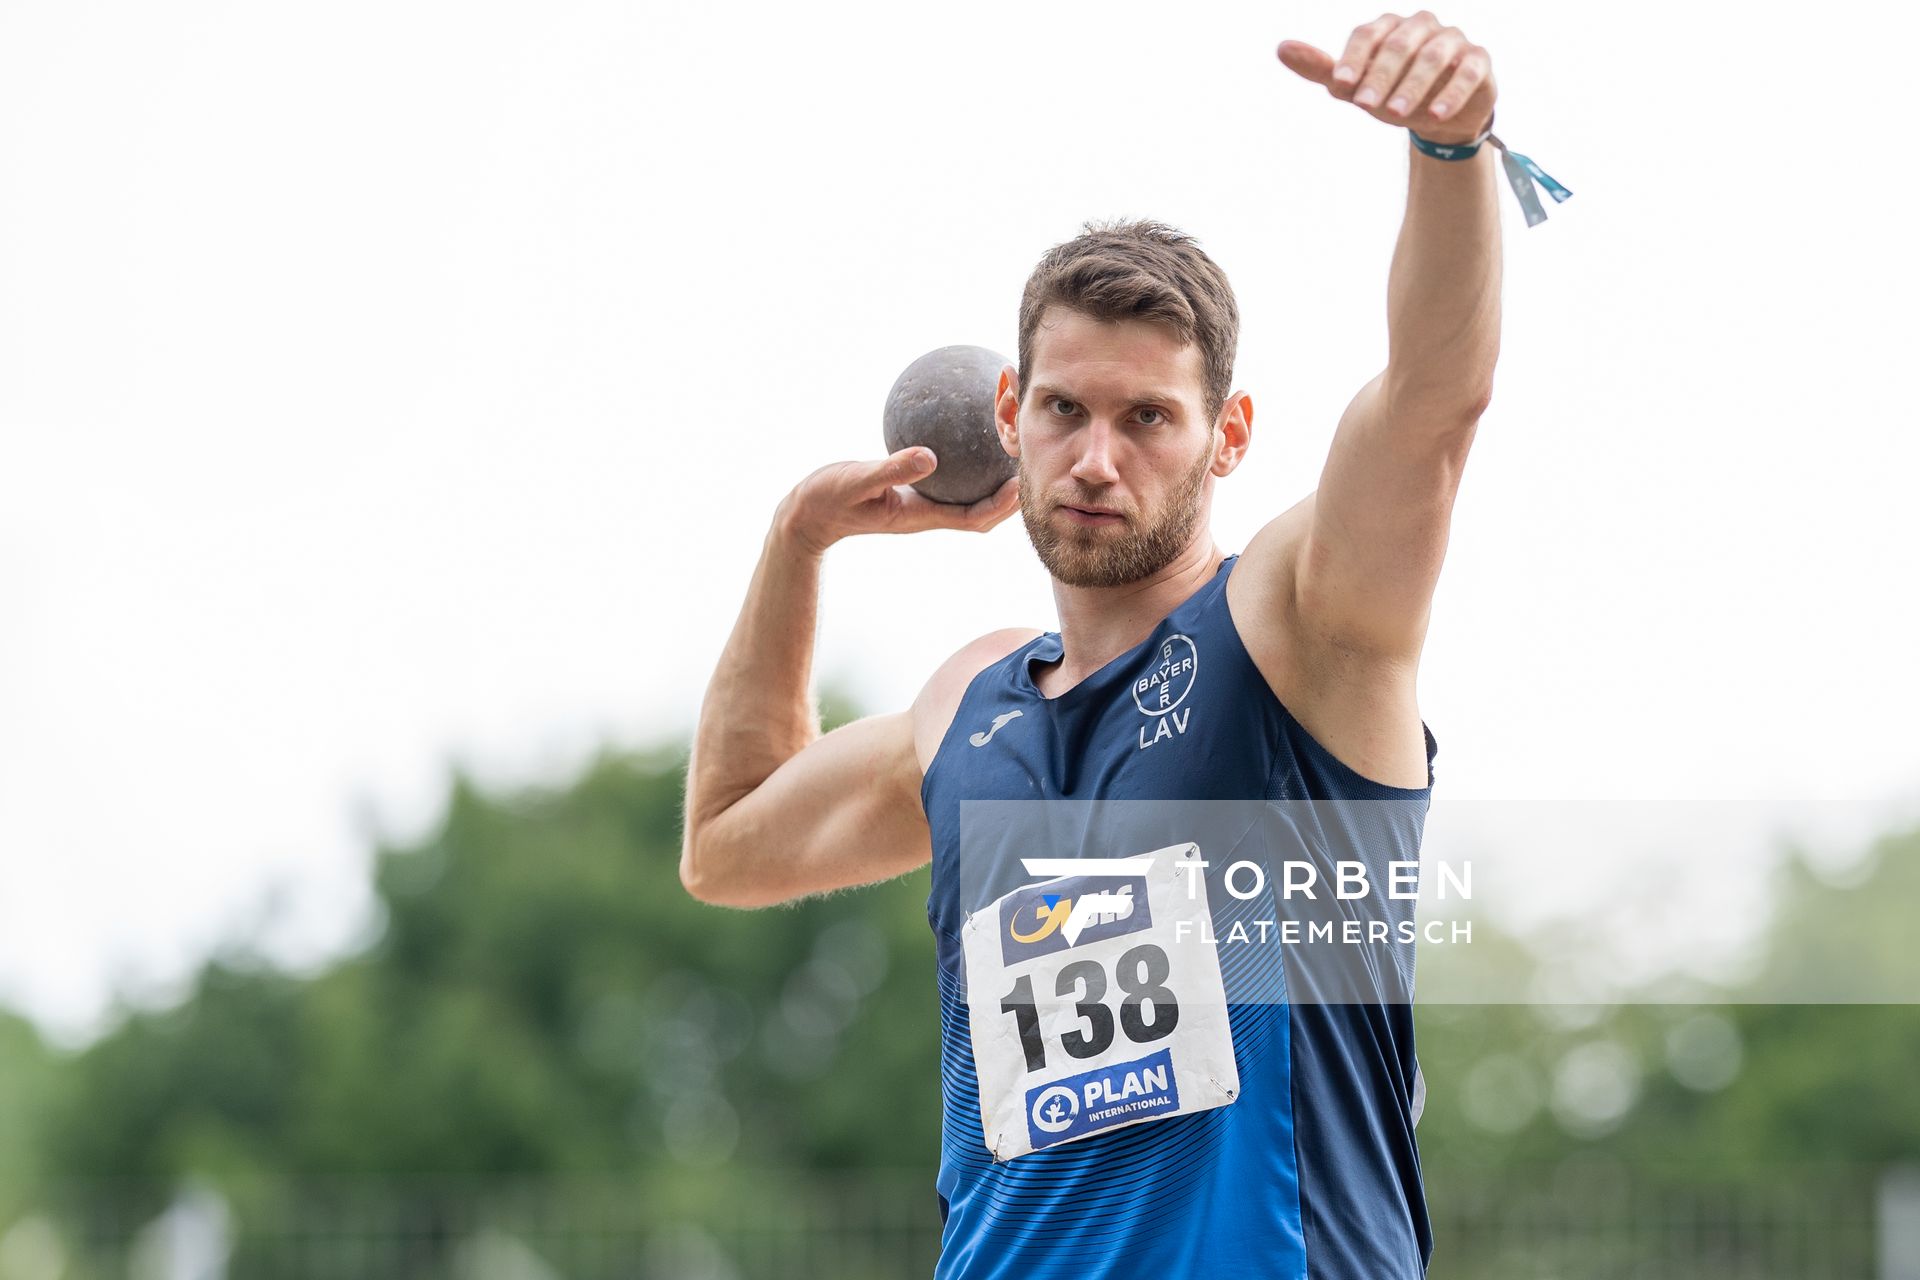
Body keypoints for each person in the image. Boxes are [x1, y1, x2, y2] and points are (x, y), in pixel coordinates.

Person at [680, 12, 1504, 1277]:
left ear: (1229, 436)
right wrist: (798, 542)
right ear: (1010, 414)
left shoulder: (1300, 628)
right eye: (1064, 409)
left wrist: (1450, 152)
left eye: (1149, 418)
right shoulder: (967, 707)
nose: (1097, 459)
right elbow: (727, 842)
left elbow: (1432, 400)